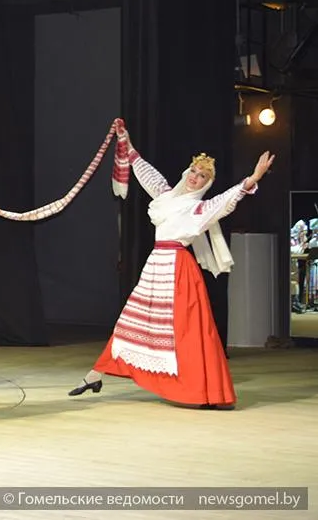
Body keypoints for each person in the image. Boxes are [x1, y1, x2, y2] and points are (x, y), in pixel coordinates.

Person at [69, 127, 274, 409]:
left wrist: (253, 178)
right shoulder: (166, 197)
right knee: (133, 321)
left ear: (206, 183)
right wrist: (126, 142)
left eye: (202, 176)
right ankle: (96, 373)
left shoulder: (200, 208)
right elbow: (146, 173)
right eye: (193, 171)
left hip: (178, 270)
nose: (195, 177)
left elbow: (228, 201)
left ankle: (200, 390)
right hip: (156, 267)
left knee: (185, 332)